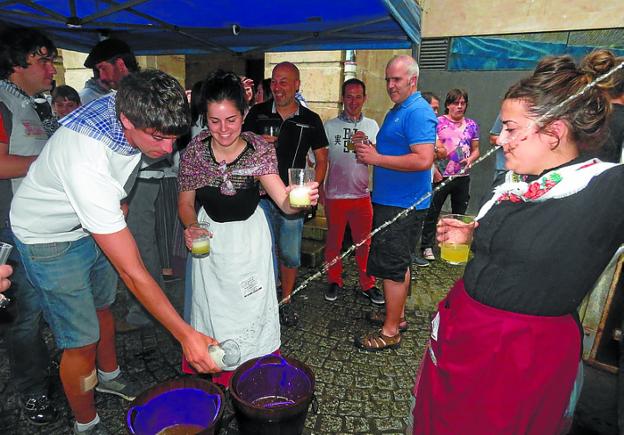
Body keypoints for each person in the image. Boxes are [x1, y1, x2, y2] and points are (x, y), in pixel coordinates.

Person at [410, 52, 624, 434]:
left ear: (554, 131)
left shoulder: (606, 187)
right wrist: (472, 236)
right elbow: (522, 246)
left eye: (511, 128)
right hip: (465, 336)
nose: (500, 140)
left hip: (522, 355)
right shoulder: (517, 182)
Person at [11, 69, 220, 434]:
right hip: (49, 237)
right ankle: (86, 423)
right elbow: (133, 271)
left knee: (103, 306)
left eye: (175, 138)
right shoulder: (85, 159)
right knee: (80, 339)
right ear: (125, 119)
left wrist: (115, 202)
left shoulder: (131, 101)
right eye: (158, 138)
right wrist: (186, 335)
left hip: (88, 221)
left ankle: (109, 375)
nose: (168, 150)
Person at [177, 70, 318, 386]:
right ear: (205, 118)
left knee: (251, 304)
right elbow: (186, 204)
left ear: (244, 116)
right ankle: (216, 370)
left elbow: (284, 201)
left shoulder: (259, 149)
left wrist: (302, 199)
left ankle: (254, 371)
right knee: (212, 305)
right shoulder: (195, 153)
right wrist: (190, 226)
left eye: (231, 120)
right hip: (210, 238)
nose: (223, 129)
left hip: (249, 240)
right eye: (214, 121)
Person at [354, 55, 436, 350]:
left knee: (391, 267)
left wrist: (376, 158)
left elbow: (424, 159)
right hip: (393, 201)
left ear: (413, 80)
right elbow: (394, 151)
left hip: (405, 204)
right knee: (397, 263)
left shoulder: (418, 112)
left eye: (396, 80)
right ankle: (396, 316)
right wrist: (370, 147)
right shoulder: (398, 110)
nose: (390, 85)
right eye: (388, 79)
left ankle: (390, 332)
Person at [85, 38, 166, 331]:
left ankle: (146, 313)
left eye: (103, 68)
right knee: (137, 242)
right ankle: (143, 308)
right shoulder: (131, 92)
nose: (100, 77)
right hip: (133, 178)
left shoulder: (139, 93)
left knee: (140, 243)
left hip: (141, 178)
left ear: (120, 64)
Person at [0, 26, 59, 425]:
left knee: (38, 309)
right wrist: (47, 168)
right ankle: (31, 391)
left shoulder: (36, 103)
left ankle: (42, 371)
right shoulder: (2, 102)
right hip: (10, 228)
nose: (52, 67)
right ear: (18, 63)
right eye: (44, 59)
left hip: (36, 224)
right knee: (23, 318)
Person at [243, 61, 329, 327]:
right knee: (262, 252)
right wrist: (256, 143)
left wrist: (314, 189)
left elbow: (322, 158)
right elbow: (238, 148)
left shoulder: (310, 119)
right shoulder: (256, 114)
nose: (277, 87)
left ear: (296, 85)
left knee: (290, 254)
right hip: (259, 198)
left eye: (284, 81)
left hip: (294, 198)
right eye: (274, 82)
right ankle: (266, 300)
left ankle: (286, 300)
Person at [322, 78, 381, 303]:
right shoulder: (329, 126)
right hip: (335, 195)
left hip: (362, 195)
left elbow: (379, 158)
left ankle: (368, 283)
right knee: (333, 243)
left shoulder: (372, 126)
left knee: (364, 243)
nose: (353, 101)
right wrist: (319, 188)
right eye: (349, 96)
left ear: (364, 99)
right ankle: (334, 280)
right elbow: (319, 159)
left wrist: (368, 144)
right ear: (342, 98)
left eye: (358, 97)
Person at [420, 89, 480, 261]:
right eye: (456, 103)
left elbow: (476, 150)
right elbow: (427, 148)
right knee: (433, 212)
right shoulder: (437, 122)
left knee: (459, 213)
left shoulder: (472, 125)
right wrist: (434, 169)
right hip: (441, 175)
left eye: (463, 103)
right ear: (448, 105)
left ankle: (454, 246)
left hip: (462, 176)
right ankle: (426, 246)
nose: (459, 106)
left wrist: (470, 159)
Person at [412, 91, 445, 268]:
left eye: (437, 109)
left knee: (420, 220)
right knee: (410, 222)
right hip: (413, 186)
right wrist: (432, 154)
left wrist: (434, 157)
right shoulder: (416, 128)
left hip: (426, 183)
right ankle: (407, 257)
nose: (436, 113)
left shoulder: (431, 129)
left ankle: (412, 254)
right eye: (433, 109)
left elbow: (442, 150)